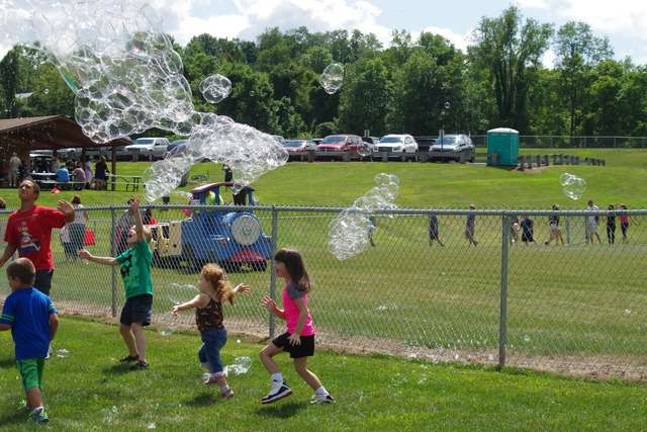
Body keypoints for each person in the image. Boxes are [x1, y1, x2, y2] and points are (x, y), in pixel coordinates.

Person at [79, 198, 153, 370]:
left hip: (143, 293)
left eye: (134, 231)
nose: (131, 230)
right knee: (124, 328)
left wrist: (136, 215)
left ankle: (143, 360)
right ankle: (133, 354)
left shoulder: (142, 250)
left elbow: (142, 232)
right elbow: (113, 260)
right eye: (131, 229)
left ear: (142, 237)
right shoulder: (128, 253)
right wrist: (91, 257)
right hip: (132, 295)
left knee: (136, 326)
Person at [259, 249, 335, 405]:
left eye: (279, 263)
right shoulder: (290, 286)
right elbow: (288, 315)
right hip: (304, 334)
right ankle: (323, 395)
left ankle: (280, 386)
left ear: (289, 266)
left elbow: (304, 312)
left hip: (298, 335)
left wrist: (296, 334)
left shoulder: (292, 287)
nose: (275, 266)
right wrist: (275, 310)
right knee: (301, 369)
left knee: (265, 354)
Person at [171, 264, 250, 400]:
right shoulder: (217, 295)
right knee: (202, 355)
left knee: (214, 360)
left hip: (212, 335)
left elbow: (191, 303)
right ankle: (215, 375)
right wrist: (238, 288)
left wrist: (178, 307)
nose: (198, 282)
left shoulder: (203, 297)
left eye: (200, 279)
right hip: (220, 334)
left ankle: (225, 389)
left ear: (208, 282)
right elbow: (230, 293)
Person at [0, 258, 59, 424]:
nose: (9, 283)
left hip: (25, 347)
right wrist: (49, 337)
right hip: (42, 346)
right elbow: (55, 320)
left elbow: (5, 324)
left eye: (9, 279)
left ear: (16, 280)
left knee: (29, 378)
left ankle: (39, 412)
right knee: (36, 376)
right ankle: (30, 404)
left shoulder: (13, 299)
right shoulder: (44, 298)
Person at [0, 180, 75, 296]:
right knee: (23, 303)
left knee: (40, 304)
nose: (23, 188)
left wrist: (71, 213)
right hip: (24, 269)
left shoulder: (43, 213)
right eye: (21, 186)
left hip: (43, 267)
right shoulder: (13, 218)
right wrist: (2, 261)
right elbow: (12, 244)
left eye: (28, 187)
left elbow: (67, 220)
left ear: (35, 194)